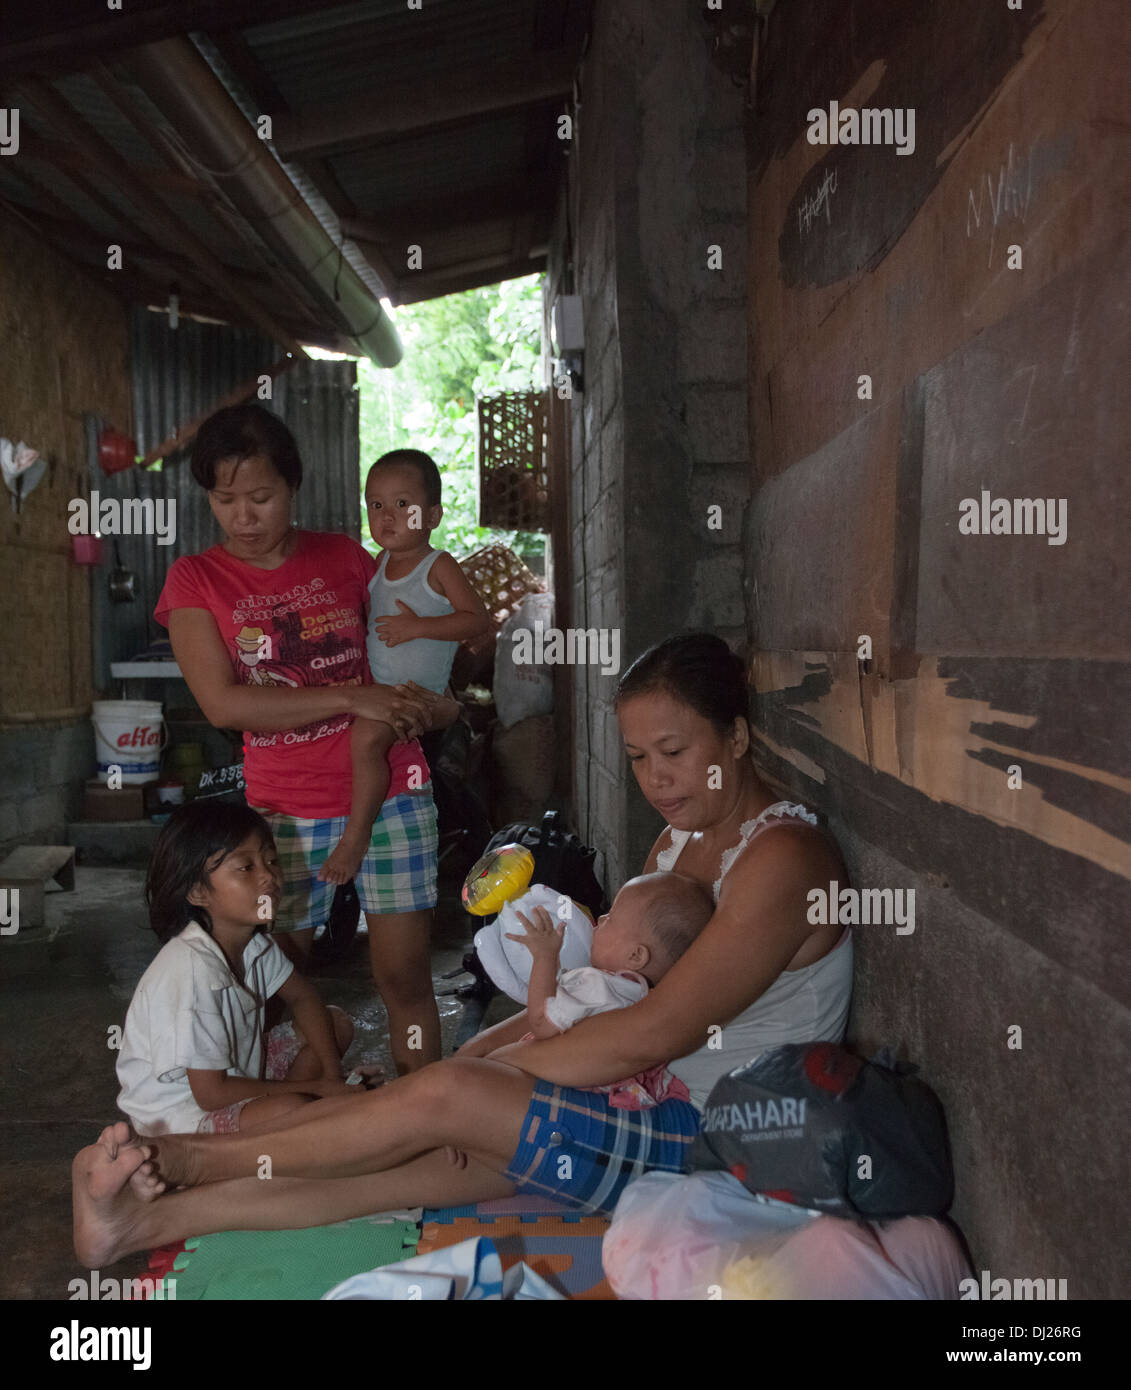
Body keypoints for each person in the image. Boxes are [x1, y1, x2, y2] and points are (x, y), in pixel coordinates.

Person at [73, 632, 854, 1267]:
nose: (655, 778)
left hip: (713, 1137)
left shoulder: (783, 859)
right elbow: (597, 997)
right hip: (636, 1098)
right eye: (638, 757)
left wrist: (470, 1078)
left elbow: (654, 1030)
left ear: (738, 737)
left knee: (437, 1099)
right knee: (401, 1168)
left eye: (674, 751)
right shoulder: (676, 845)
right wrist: (487, 1050)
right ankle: (131, 1228)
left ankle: (186, 1160)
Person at [155, 405, 461, 1074]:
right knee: (272, 975)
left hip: (390, 792)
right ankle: (283, 1109)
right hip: (281, 812)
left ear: (293, 488)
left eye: (261, 497)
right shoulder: (195, 581)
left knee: (404, 977)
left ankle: (426, 1108)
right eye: (224, 498)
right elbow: (222, 704)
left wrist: (436, 705)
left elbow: (413, 649)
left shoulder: (349, 559)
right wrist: (352, 696)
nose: (243, 516)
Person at [116, 803, 361, 1137]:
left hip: (240, 1077)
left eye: (271, 860)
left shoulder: (256, 945)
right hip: (182, 1120)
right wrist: (319, 1091)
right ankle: (288, 1125)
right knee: (293, 1108)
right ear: (198, 892)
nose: (269, 876)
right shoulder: (190, 972)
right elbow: (211, 1094)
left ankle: (290, 1124)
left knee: (335, 1025)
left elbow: (304, 999)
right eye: (246, 867)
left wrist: (332, 1077)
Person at [320, 449, 492, 885]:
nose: (387, 516)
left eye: (402, 504)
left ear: (432, 515)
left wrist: (418, 626)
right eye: (376, 505)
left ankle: (355, 839)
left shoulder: (439, 565)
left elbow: (478, 620)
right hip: (384, 690)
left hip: (419, 695)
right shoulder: (376, 567)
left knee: (365, 741)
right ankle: (369, 827)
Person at [499, 872, 715, 1111]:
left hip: (557, 1093)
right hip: (602, 1101)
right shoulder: (640, 995)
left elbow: (541, 1022)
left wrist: (544, 958)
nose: (601, 918)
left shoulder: (597, 986)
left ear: (636, 956)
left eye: (611, 918)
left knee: (478, 1074)